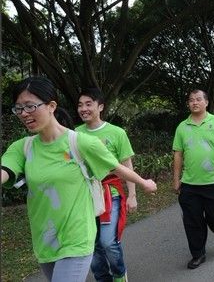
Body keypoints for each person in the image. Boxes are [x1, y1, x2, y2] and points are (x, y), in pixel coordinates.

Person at [1, 77, 157, 282]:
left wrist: (142, 184)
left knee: (107, 243)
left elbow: (117, 167)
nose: (24, 114)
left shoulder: (81, 142)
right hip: (44, 241)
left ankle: (118, 275)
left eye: (30, 106)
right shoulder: (22, 147)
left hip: (77, 236)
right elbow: (5, 171)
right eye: (19, 108)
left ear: (51, 106)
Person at [76, 88, 137, 282]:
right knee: (91, 242)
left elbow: (127, 165)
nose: (83, 108)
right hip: (84, 193)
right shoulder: (74, 134)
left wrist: (133, 195)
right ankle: (103, 278)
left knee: (108, 242)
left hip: (110, 191)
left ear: (100, 106)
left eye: (88, 104)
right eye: (80, 105)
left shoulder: (117, 133)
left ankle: (119, 274)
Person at [172, 90, 214, 270]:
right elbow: (178, 154)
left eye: (198, 99)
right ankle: (198, 254)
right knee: (192, 222)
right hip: (190, 184)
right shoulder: (182, 127)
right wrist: (176, 179)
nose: (194, 102)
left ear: (206, 102)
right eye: (191, 100)